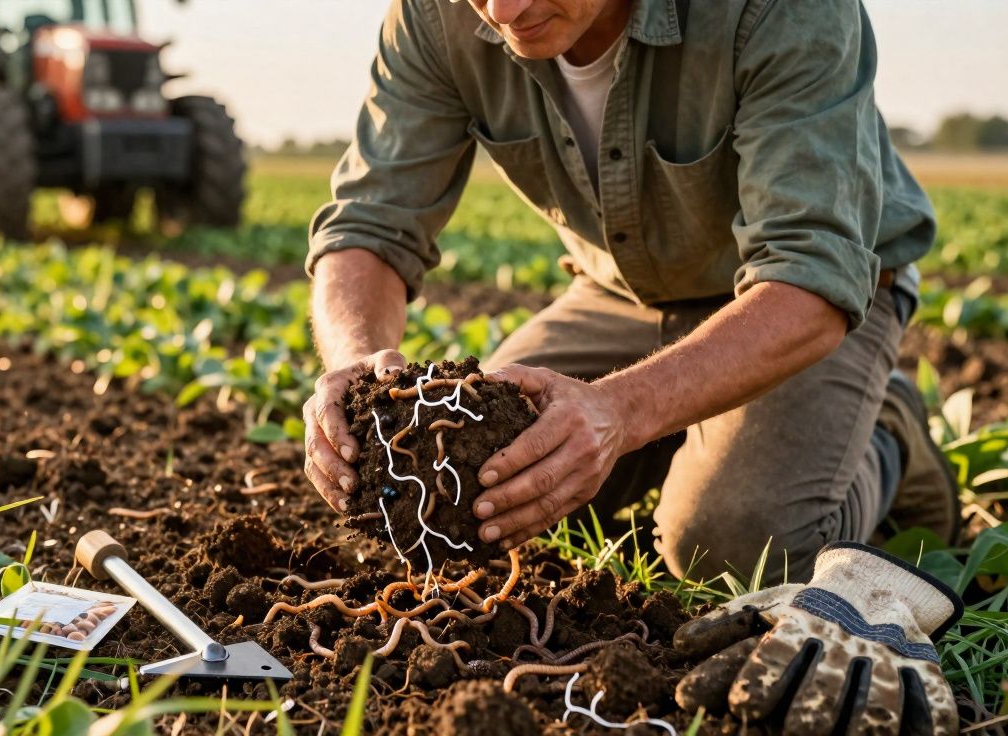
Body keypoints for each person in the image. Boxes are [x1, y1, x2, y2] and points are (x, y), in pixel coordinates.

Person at [302, 0, 962, 730]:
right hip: (622, 294)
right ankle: (690, 433)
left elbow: (809, 277)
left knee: (727, 541)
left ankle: (889, 427)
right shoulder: (435, 15)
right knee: (479, 482)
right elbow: (368, 222)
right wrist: (361, 373)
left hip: (808, 299)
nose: (503, 12)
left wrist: (617, 411)